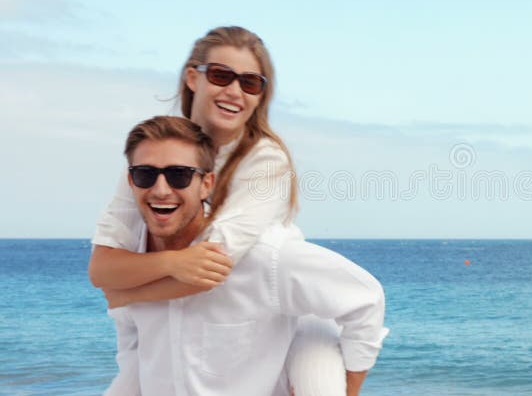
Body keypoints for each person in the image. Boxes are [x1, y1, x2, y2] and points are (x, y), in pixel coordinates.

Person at [88, 26, 363, 394]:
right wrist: (169, 264)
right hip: (201, 317)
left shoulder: (266, 162)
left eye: (250, 83)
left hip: (288, 316)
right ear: (192, 78)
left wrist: (130, 292)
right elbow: (103, 268)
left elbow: (209, 266)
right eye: (221, 75)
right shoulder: (157, 157)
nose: (234, 91)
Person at [104, 116, 386, 396]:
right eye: (145, 174)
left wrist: (349, 390)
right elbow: (133, 349)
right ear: (131, 182)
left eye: (180, 175)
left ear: (206, 184)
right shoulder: (130, 265)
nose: (161, 190)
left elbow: (365, 298)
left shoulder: (264, 258)